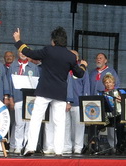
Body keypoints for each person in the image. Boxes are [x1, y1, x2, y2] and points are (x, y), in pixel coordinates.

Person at [13, 27, 87, 156]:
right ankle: (59, 151)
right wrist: (83, 65)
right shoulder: (70, 56)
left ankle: (30, 147)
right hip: (60, 93)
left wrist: (18, 40)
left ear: (53, 40)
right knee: (59, 122)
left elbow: (29, 53)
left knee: (36, 119)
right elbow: (79, 74)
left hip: (44, 90)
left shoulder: (48, 50)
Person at [7, 51, 40, 154]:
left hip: (30, 100)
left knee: (29, 124)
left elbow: (38, 83)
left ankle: (27, 144)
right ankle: (18, 145)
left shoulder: (33, 67)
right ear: (17, 53)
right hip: (17, 99)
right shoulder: (13, 66)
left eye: (24, 52)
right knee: (19, 124)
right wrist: (10, 98)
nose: (23, 54)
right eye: (21, 52)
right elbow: (9, 83)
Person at [89, 53, 120, 148]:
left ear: (105, 60)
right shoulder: (93, 73)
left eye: (101, 58)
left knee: (112, 128)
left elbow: (117, 86)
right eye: (97, 58)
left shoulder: (111, 71)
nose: (98, 60)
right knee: (93, 125)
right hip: (95, 105)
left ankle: (114, 147)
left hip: (112, 110)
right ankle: (94, 146)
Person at [63, 50, 90, 154]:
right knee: (66, 125)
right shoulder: (63, 67)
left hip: (78, 102)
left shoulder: (81, 69)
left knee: (78, 126)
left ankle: (78, 146)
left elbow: (86, 86)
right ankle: (67, 146)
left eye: (74, 55)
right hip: (64, 102)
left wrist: (85, 102)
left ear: (77, 58)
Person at [101, 74, 125, 154]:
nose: (108, 84)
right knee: (94, 124)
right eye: (106, 82)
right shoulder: (102, 94)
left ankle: (119, 145)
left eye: (110, 82)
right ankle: (95, 145)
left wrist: (122, 100)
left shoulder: (120, 91)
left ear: (114, 83)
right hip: (107, 117)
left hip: (118, 115)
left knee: (120, 125)